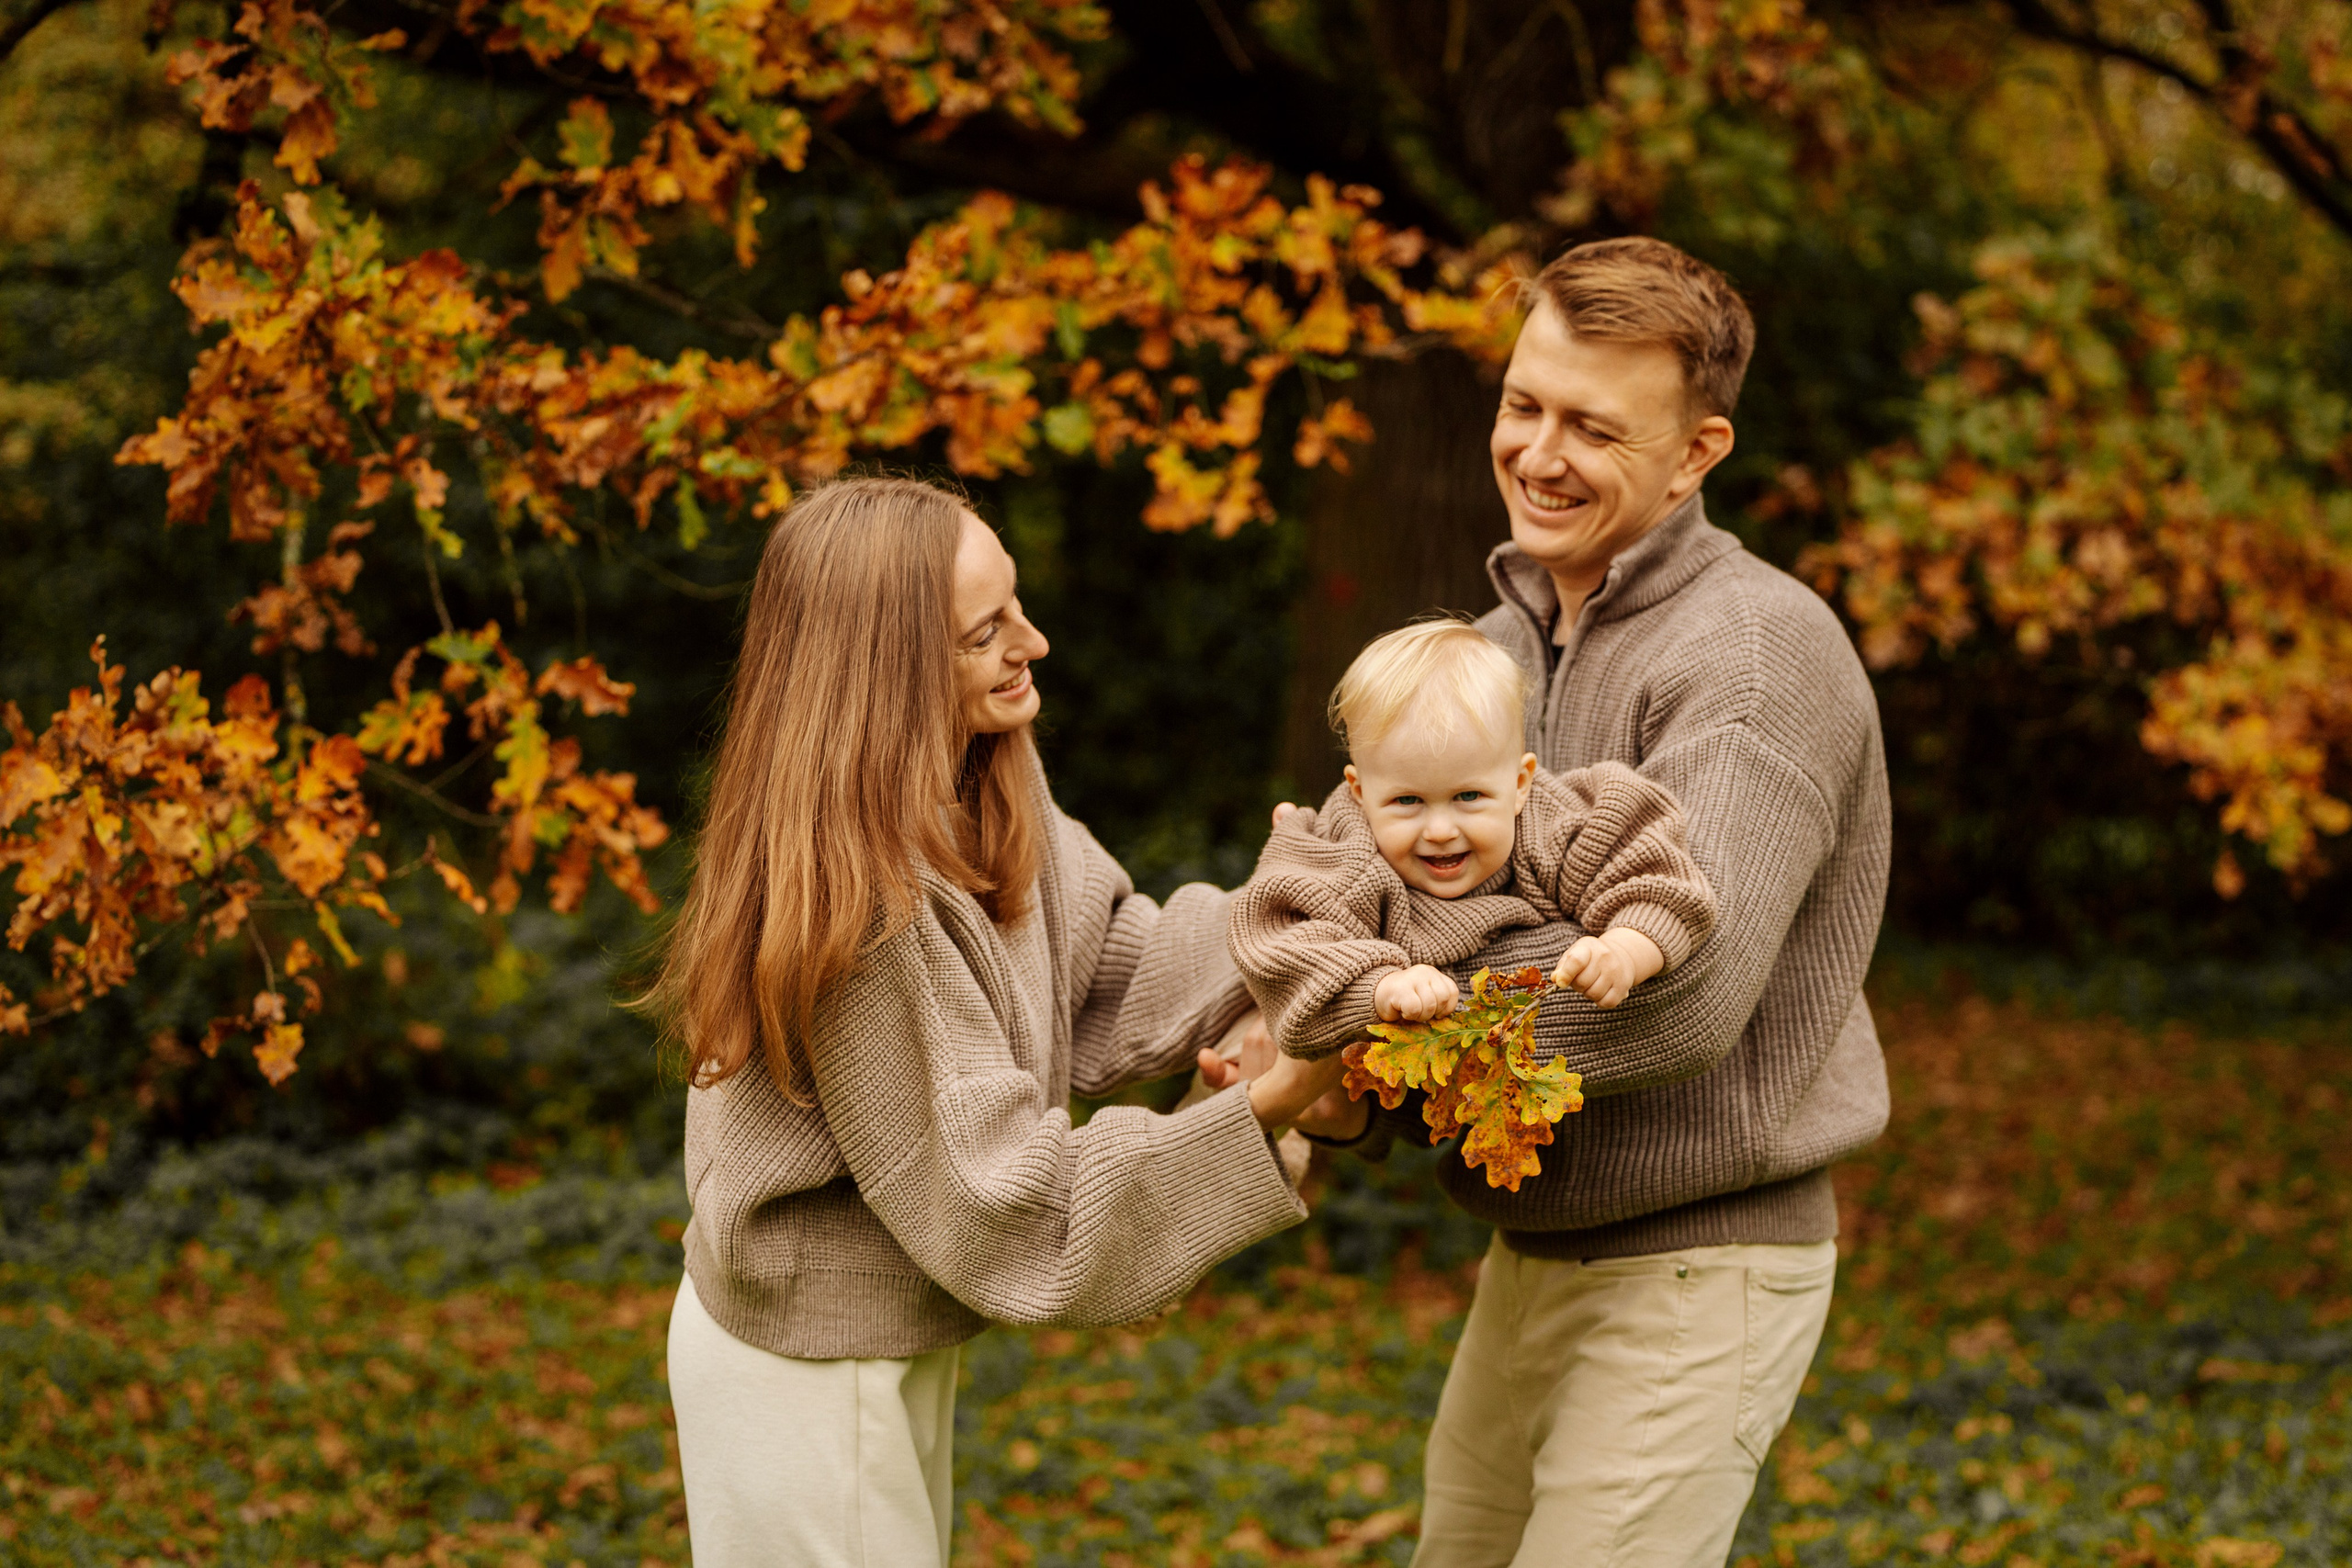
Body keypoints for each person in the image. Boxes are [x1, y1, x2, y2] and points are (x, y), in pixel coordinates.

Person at [1222, 236, 1893, 1564]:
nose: (1538, 451)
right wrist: (1299, 1007)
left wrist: (1362, 1030)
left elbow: (1679, 1000)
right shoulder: (1497, 646)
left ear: (1699, 451)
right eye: (1524, 404)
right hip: (1532, 1245)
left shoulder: (1751, 657)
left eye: (1593, 425)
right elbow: (1354, 892)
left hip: (1698, 1261)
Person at [640, 476, 1343, 1568]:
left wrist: (1334, 886)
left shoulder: (979, 783)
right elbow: (1004, 1204)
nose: (1035, 643)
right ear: (886, 671)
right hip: (813, 1373)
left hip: (883, 1342)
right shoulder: (862, 909)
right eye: (985, 634)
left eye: (1014, 606)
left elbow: (1116, 968)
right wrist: (1265, 1107)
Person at [1227, 618, 1717, 1060]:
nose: (1440, 831)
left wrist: (1627, 949)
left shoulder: (1555, 826)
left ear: (1521, 783)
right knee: (1230, 1045)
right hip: (1231, 1007)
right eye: (1407, 801)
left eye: (1468, 795)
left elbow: (1657, 876)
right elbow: (1282, 940)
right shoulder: (1346, 852)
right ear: (1359, 791)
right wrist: (1381, 986)